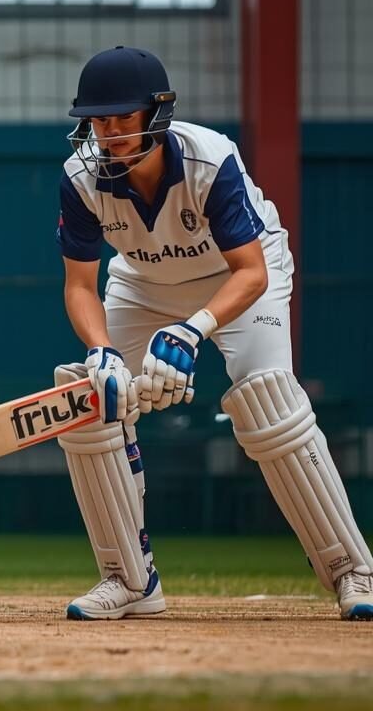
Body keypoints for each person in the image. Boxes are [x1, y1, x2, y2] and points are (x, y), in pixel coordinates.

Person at [55, 45, 372, 622]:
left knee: (269, 398)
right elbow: (80, 286)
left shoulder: (210, 159)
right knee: (92, 399)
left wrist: (192, 331)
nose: (110, 133)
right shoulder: (81, 177)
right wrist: (101, 350)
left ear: (156, 114)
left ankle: (355, 570)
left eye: (123, 118)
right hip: (143, 281)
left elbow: (251, 271)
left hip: (240, 276)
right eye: (99, 120)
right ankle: (129, 579)